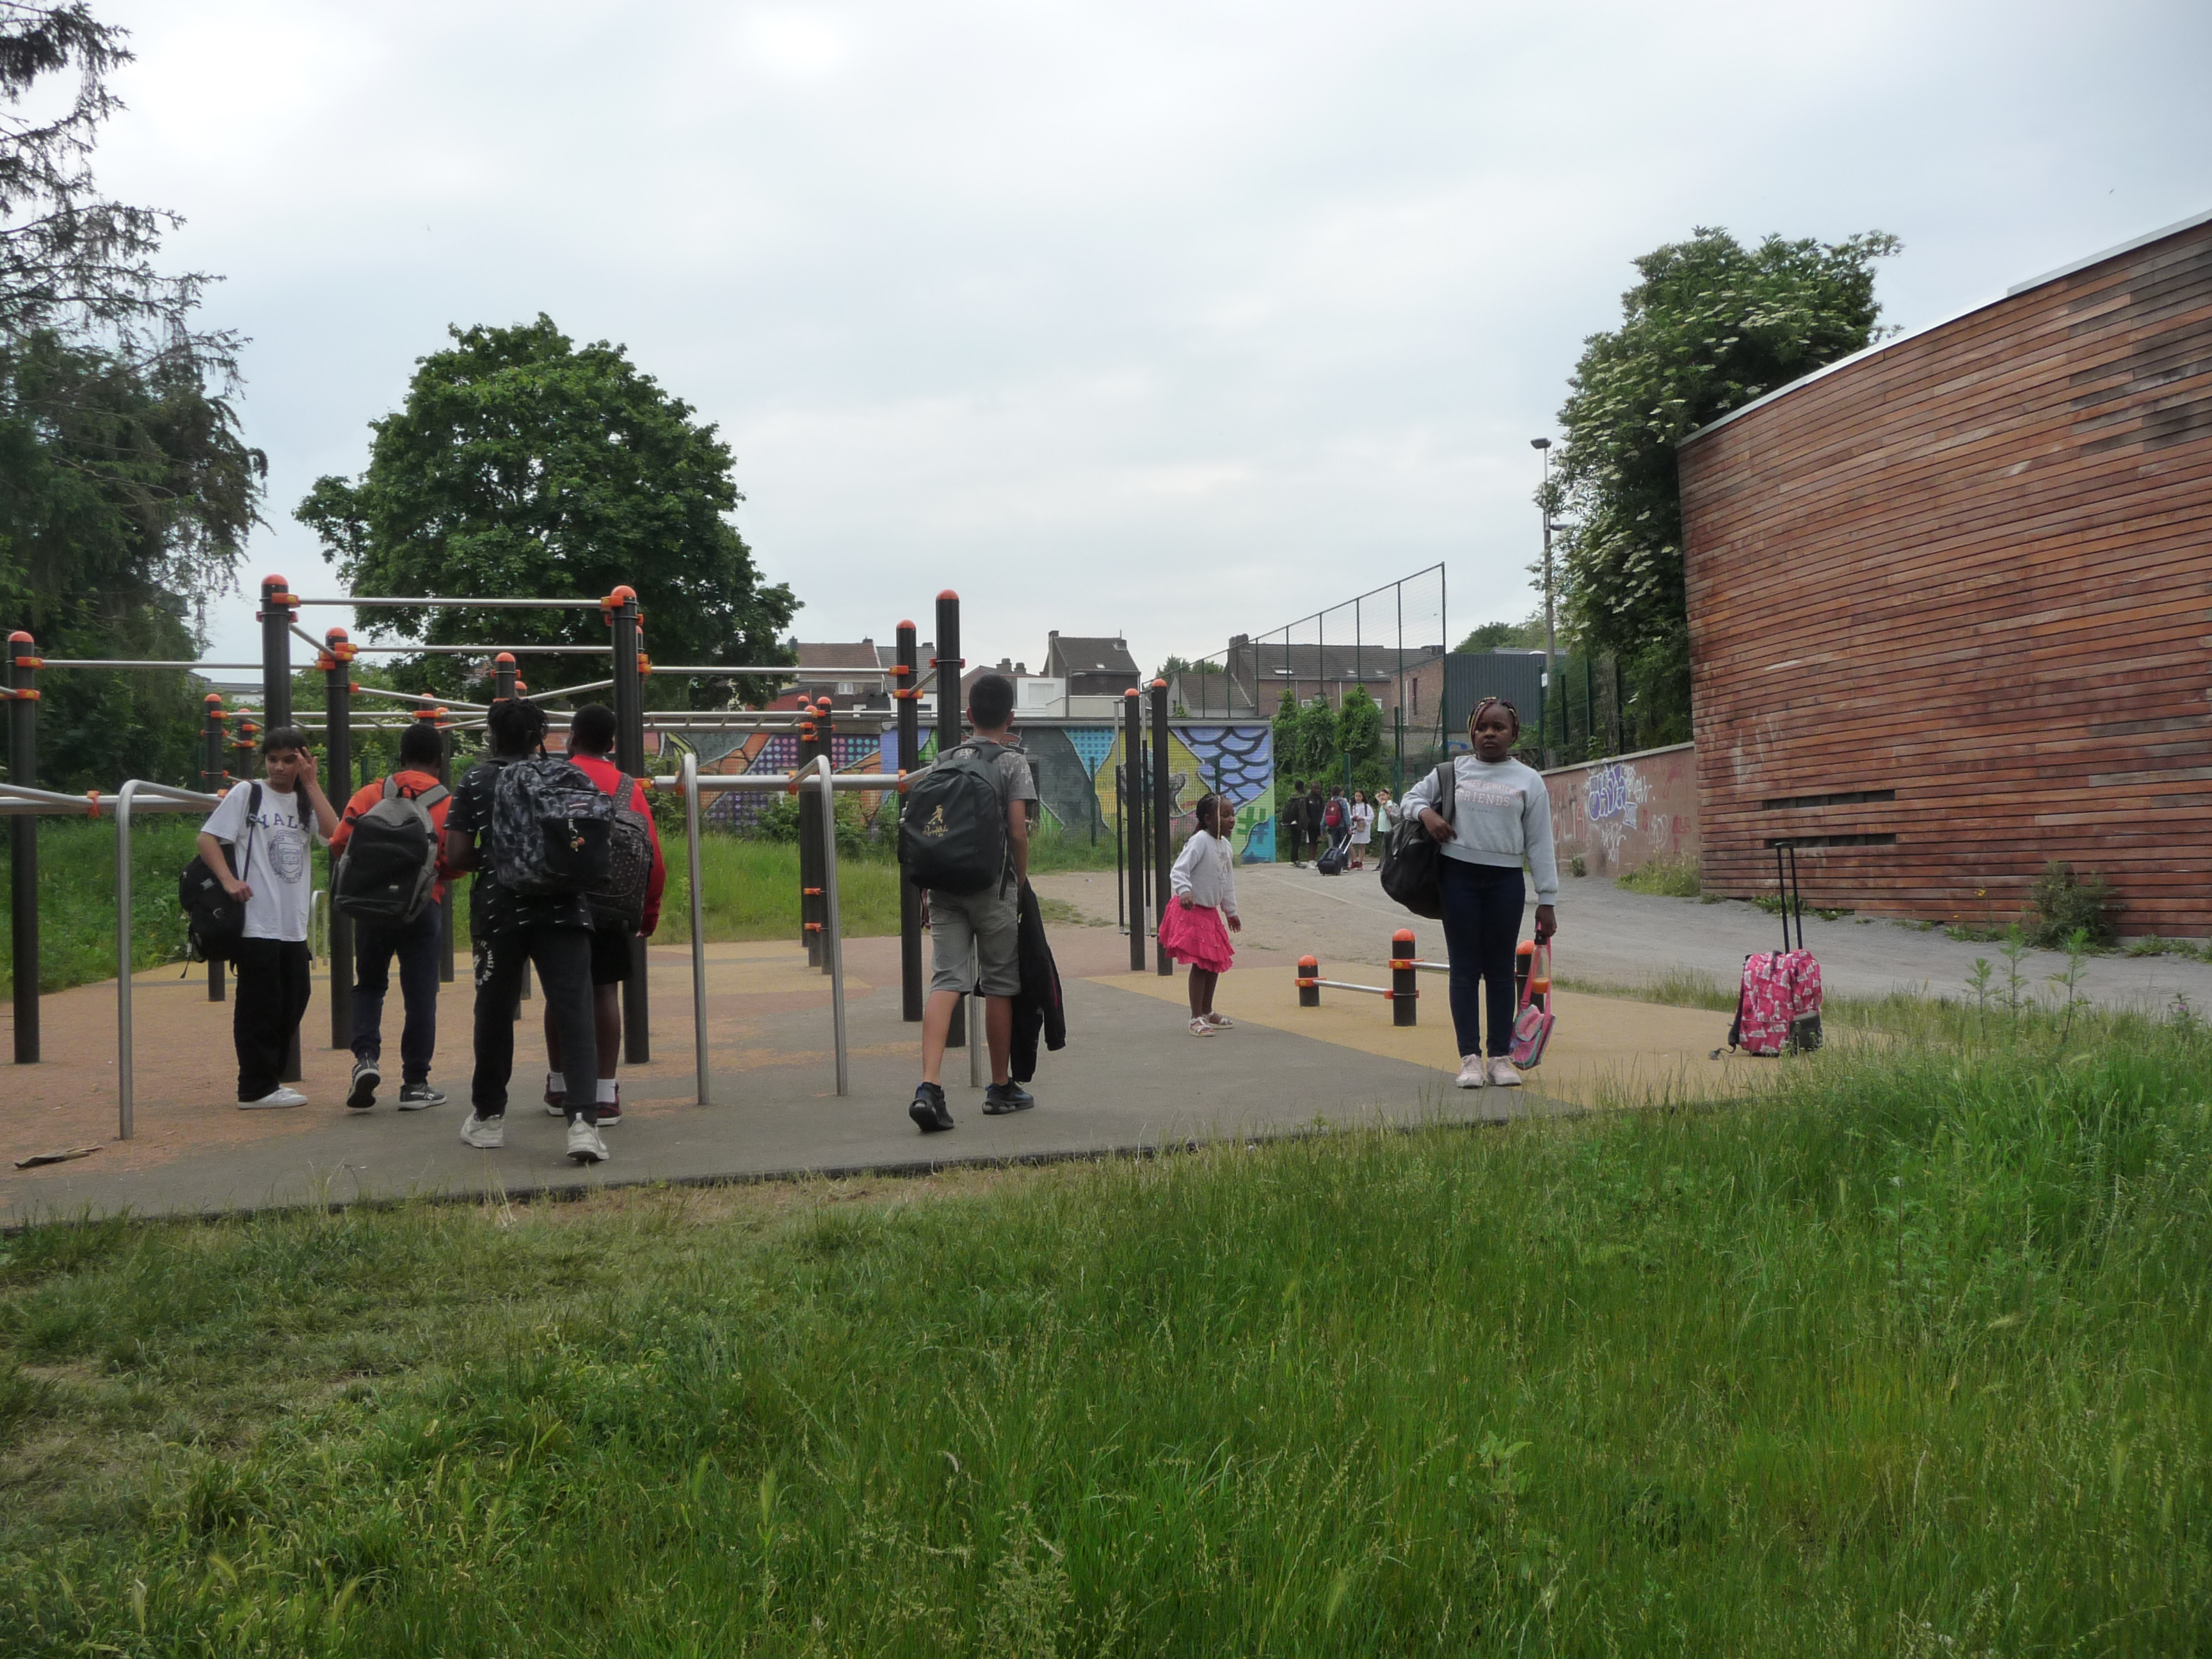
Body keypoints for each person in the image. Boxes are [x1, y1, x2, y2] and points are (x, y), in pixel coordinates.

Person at [442, 696, 606, 1163]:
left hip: (500, 911)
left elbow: (455, 855)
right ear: (541, 737)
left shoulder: (477, 779)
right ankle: (582, 1123)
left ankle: (489, 1117)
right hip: (565, 909)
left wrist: (496, 857)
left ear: (492, 735)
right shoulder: (567, 776)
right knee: (574, 1011)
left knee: (494, 1010)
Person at [1402, 696, 1559, 1090]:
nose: (1489, 734)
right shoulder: (1451, 771)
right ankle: (1470, 1058)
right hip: (1458, 878)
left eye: (1499, 728)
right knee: (1465, 968)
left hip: (1506, 881)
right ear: (1471, 731)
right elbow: (1409, 800)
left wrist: (1548, 899)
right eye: (1481, 727)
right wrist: (1429, 815)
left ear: (1514, 734)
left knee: (1502, 971)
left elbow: (1540, 843)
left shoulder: (1529, 780)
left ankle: (1500, 1058)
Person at [910, 672, 1038, 1133]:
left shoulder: (944, 760)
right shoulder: (1012, 762)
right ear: (1011, 717)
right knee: (1000, 984)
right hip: (993, 888)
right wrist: (1018, 883)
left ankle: (929, 1086)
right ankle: (1000, 1087)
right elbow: (1019, 830)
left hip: (943, 886)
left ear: (968, 717)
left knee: (946, 980)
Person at [195, 726, 339, 1109]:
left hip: (292, 923)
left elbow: (336, 836)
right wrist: (228, 881)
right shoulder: (249, 793)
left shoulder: (305, 800)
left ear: (304, 760)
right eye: (273, 759)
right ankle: (254, 1087)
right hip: (257, 920)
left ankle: (268, 1080)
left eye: (289, 759)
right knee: (260, 1004)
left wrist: (312, 784)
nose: (279, 767)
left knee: (295, 997)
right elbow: (207, 838)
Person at [541, 703, 666, 1127]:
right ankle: (604, 1092)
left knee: (561, 993)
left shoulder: (553, 779)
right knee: (603, 992)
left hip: (558, 900)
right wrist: (647, 914)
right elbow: (654, 859)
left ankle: (559, 1085)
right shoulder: (628, 787)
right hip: (612, 905)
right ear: (611, 744)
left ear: (573, 737)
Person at [330, 720, 452, 1111]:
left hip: (371, 908)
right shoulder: (446, 802)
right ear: (438, 761)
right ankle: (415, 1083)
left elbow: (339, 845)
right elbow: (454, 860)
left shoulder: (370, 794)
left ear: (399, 757)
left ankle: (365, 1060)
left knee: (369, 985)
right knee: (420, 995)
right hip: (422, 906)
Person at [1157, 792, 1241, 1034]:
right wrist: (1184, 891)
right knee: (1201, 965)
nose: (1231, 819)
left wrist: (1231, 912)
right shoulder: (1200, 841)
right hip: (1192, 910)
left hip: (1211, 913)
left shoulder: (1225, 847)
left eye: (1232, 814)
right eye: (1225, 815)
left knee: (1214, 963)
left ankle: (1207, 1010)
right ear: (1208, 819)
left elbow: (1227, 882)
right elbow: (1178, 870)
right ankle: (1195, 1017)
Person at [1281, 779, 1308, 867]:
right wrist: (1305, 824)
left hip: (1291, 822)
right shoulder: (1301, 799)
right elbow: (1302, 813)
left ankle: (1293, 859)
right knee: (1297, 841)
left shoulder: (1291, 798)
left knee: (1294, 842)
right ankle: (1296, 860)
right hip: (1298, 822)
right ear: (1302, 788)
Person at [1301, 782, 1326, 869]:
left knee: (1317, 842)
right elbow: (1304, 811)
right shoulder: (1307, 798)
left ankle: (1314, 861)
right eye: (1315, 788)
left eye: (1318, 788)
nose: (1317, 790)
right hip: (1310, 825)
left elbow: (1323, 810)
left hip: (1319, 824)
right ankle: (1311, 860)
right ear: (1312, 788)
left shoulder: (1321, 799)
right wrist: (1307, 822)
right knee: (1311, 843)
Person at [1349, 789, 1374, 870]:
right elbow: (1348, 815)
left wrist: (1362, 818)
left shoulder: (1367, 806)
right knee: (1350, 844)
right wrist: (1353, 818)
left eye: (1359, 796)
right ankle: (1354, 860)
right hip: (1354, 826)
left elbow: (1371, 816)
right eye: (1356, 796)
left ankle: (1360, 862)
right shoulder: (1352, 806)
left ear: (1363, 797)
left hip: (1363, 827)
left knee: (1361, 845)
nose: (1358, 798)